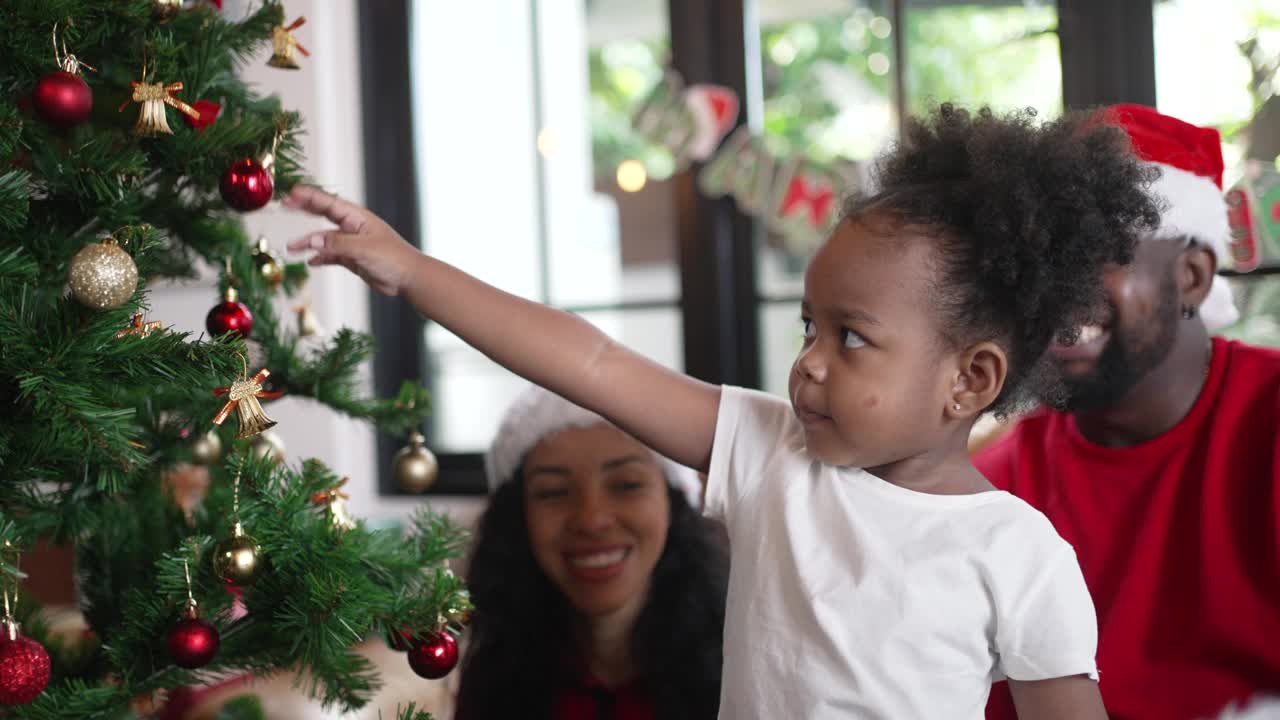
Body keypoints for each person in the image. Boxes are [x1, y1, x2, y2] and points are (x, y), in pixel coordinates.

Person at [285, 104, 1163, 719]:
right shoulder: (768, 452)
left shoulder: (1020, 553)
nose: (810, 363)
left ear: (968, 380)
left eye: (851, 338)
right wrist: (410, 270)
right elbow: (588, 359)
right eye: (809, 326)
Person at [976, 105, 1280, 720]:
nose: (1057, 288)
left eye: (1099, 251)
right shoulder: (995, 481)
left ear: (1192, 277)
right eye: (1041, 257)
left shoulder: (1268, 424)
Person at [454, 385, 728, 720]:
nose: (591, 519)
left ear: (673, 502)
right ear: (518, 515)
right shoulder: (493, 682)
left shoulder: (741, 672)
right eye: (554, 492)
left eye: (626, 485)